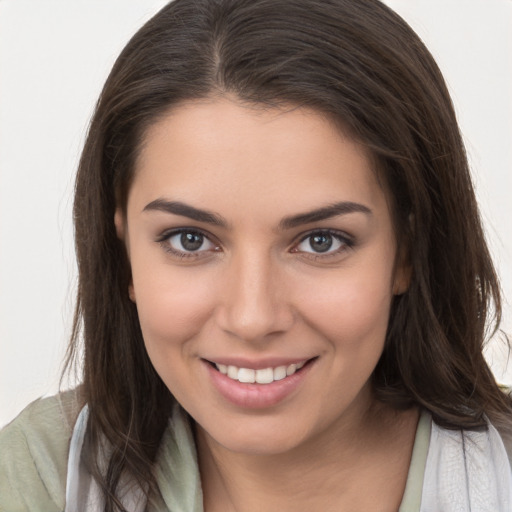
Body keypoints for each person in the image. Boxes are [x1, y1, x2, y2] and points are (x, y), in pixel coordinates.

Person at [1, 0, 511, 510]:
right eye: (190, 240)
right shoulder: (38, 475)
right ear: (124, 253)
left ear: (407, 251)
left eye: (321, 241)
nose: (252, 318)